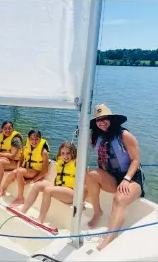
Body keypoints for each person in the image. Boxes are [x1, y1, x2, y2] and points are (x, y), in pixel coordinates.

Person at [85, 104, 145, 251]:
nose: (102, 122)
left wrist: (127, 179)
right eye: (98, 119)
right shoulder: (96, 137)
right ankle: (98, 212)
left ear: (112, 120)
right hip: (112, 177)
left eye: (105, 118)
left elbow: (136, 160)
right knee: (90, 175)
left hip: (132, 177)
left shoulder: (124, 135)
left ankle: (109, 238)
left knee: (118, 200)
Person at [20, 142, 78, 224]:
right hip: (58, 188)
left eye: (68, 153)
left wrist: (81, 199)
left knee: (48, 190)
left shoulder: (76, 163)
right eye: (63, 153)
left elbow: (85, 181)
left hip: (70, 194)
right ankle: (23, 211)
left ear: (73, 153)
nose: (65, 156)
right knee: (38, 185)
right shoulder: (60, 161)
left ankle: (40, 220)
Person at [0, 130, 50, 207]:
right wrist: (17, 169)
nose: (34, 141)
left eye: (37, 139)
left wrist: (33, 179)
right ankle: (3, 190)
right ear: (28, 138)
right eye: (32, 139)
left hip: (36, 172)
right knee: (13, 173)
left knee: (19, 171)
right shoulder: (25, 148)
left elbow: (45, 170)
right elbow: (21, 160)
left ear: (40, 139)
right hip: (27, 170)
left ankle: (20, 198)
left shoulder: (43, 152)